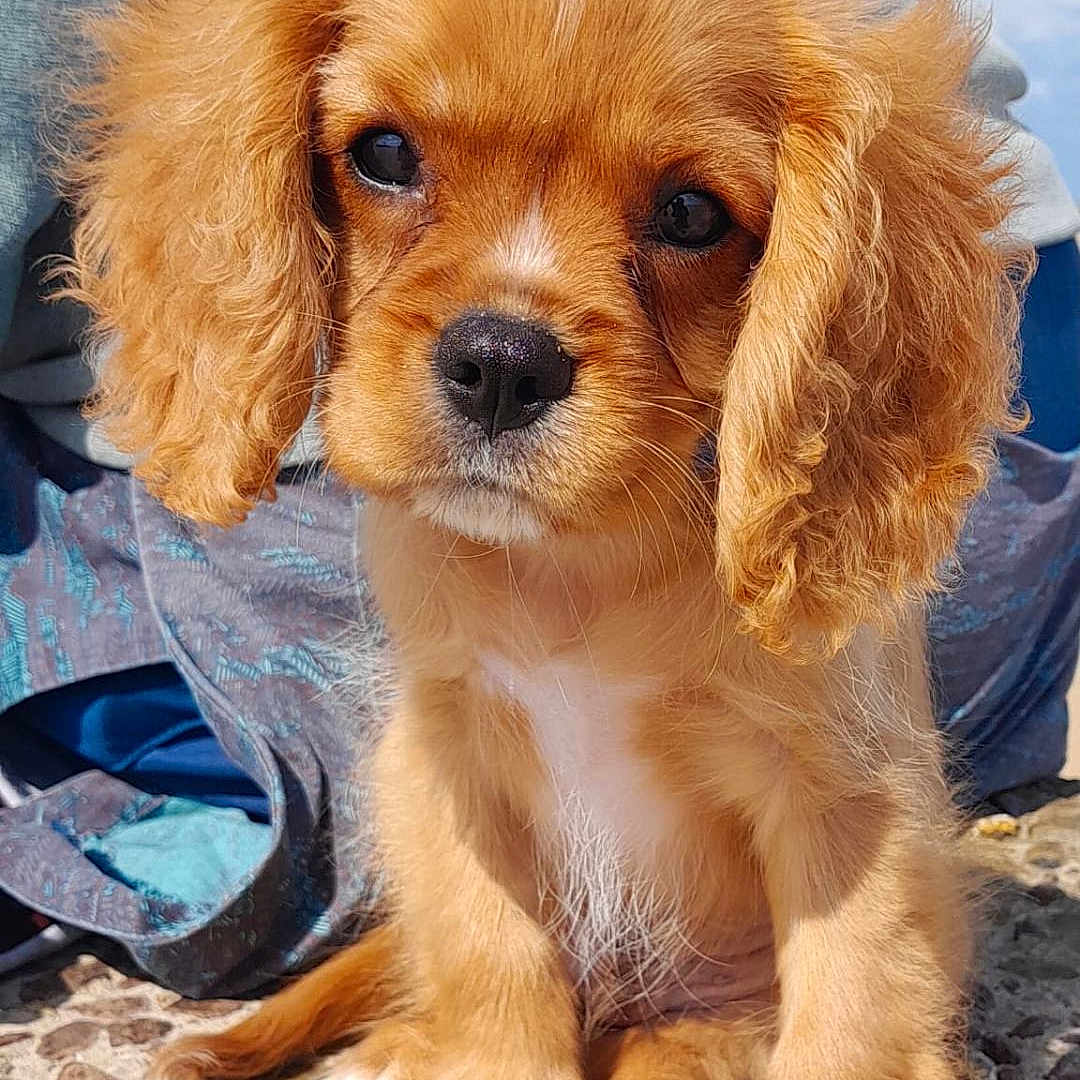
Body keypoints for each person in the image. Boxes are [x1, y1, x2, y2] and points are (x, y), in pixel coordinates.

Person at [0, 4, 1077, 993]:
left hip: (817, 435)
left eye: (689, 215)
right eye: (390, 159)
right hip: (1022, 478)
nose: (507, 347)